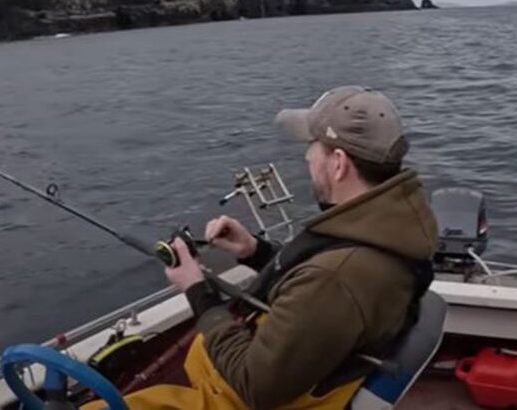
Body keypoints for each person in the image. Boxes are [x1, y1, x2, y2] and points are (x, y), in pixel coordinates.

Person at [88, 86, 437, 410]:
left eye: (313, 146)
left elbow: (252, 385)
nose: (307, 158)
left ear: (339, 162)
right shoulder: (389, 226)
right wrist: (254, 251)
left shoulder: (336, 278)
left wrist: (196, 290)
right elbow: (316, 287)